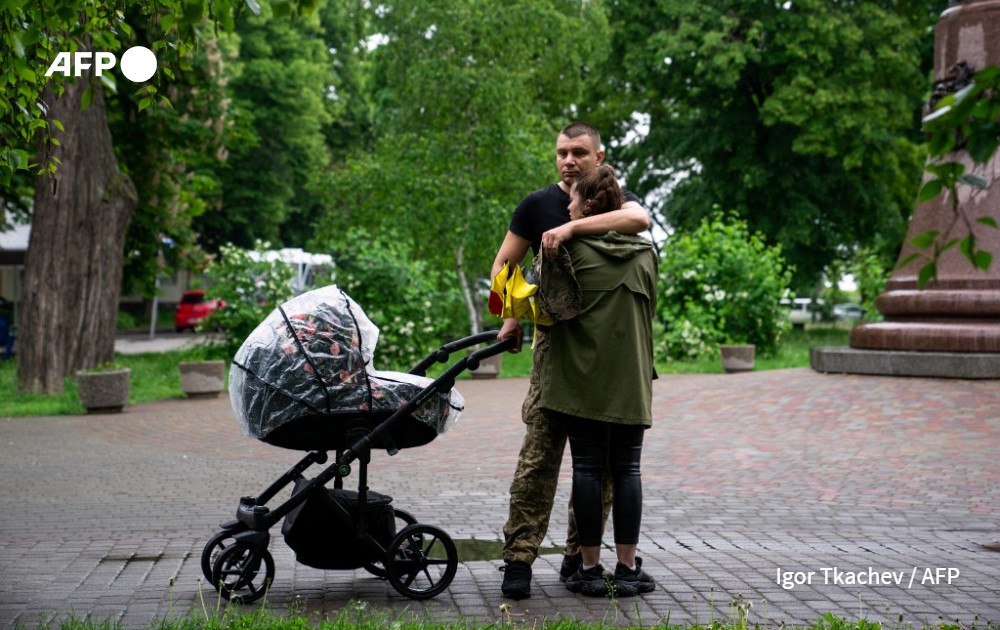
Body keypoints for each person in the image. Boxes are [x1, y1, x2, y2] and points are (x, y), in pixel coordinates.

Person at [492, 122, 650, 600]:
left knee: (599, 468)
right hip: (552, 349)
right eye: (561, 152)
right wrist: (511, 316)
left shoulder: (616, 202)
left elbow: (639, 221)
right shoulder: (536, 204)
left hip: (604, 356)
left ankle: (578, 557)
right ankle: (519, 558)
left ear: (599, 157)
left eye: (579, 152)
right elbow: (503, 265)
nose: (568, 160)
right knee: (538, 458)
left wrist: (570, 225)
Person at [539, 164, 657, 598]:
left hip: (579, 380)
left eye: (572, 200)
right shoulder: (647, 254)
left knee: (587, 468)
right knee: (628, 469)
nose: (567, 208)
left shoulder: (566, 253)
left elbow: (545, 311)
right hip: (631, 379)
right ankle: (627, 569)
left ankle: (589, 569)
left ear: (588, 206)